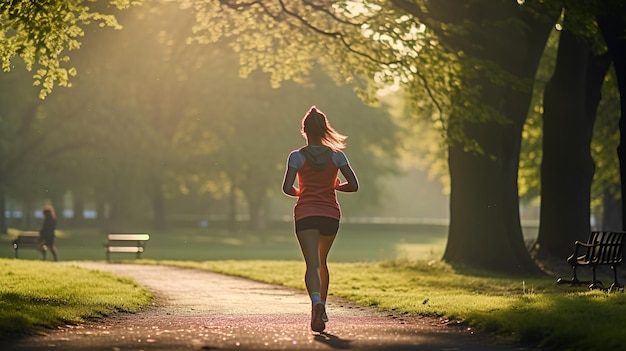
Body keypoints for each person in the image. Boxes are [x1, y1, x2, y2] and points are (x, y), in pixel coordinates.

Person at [282, 106, 359, 333]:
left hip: (305, 214)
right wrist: (335, 186)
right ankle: (322, 307)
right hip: (330, 214)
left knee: (312, 264)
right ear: (325, 129)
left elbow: (287, 188)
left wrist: (301, 193)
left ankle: (315, 302)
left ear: (304, 130)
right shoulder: (337, 156)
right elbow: (354, 186)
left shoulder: (296, 156)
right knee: (323, 263)